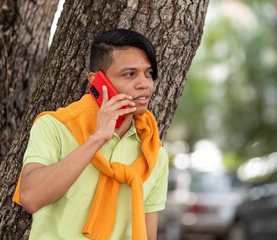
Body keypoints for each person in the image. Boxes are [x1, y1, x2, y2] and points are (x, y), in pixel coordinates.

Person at [13, 29, 169, 240]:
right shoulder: (54, 126)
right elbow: (31, 198)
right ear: (97, 81)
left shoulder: (153, 153)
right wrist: (97, 139)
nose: (144, 84)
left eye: (148, 73)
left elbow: (148, 234)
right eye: (130, 74)